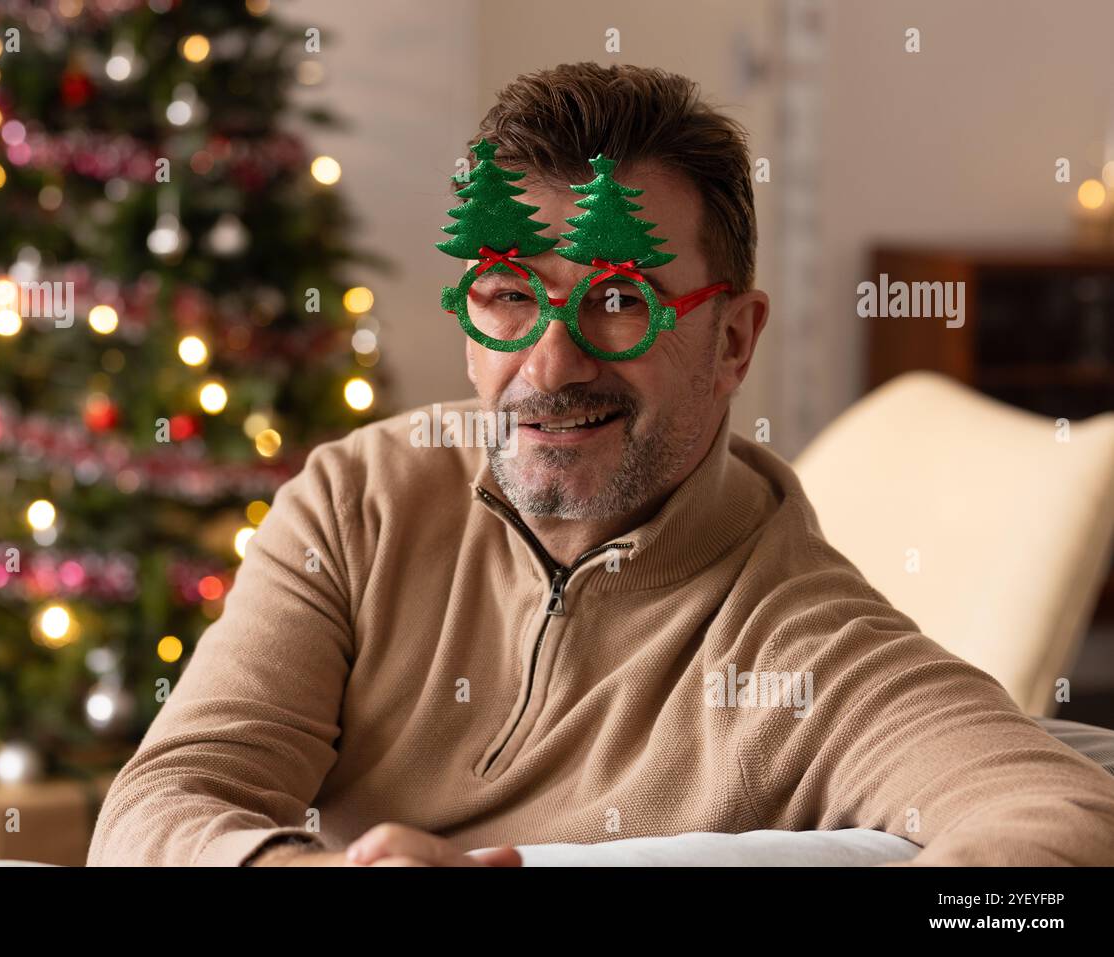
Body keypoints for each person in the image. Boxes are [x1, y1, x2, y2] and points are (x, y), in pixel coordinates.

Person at [88, 62, 1114, 867]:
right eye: (506, 293)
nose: (549, 363)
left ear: (733, 342)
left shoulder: (806, 649)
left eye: (621, 299)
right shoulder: (362, 498)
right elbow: (156, 810)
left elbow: (1061, 821)